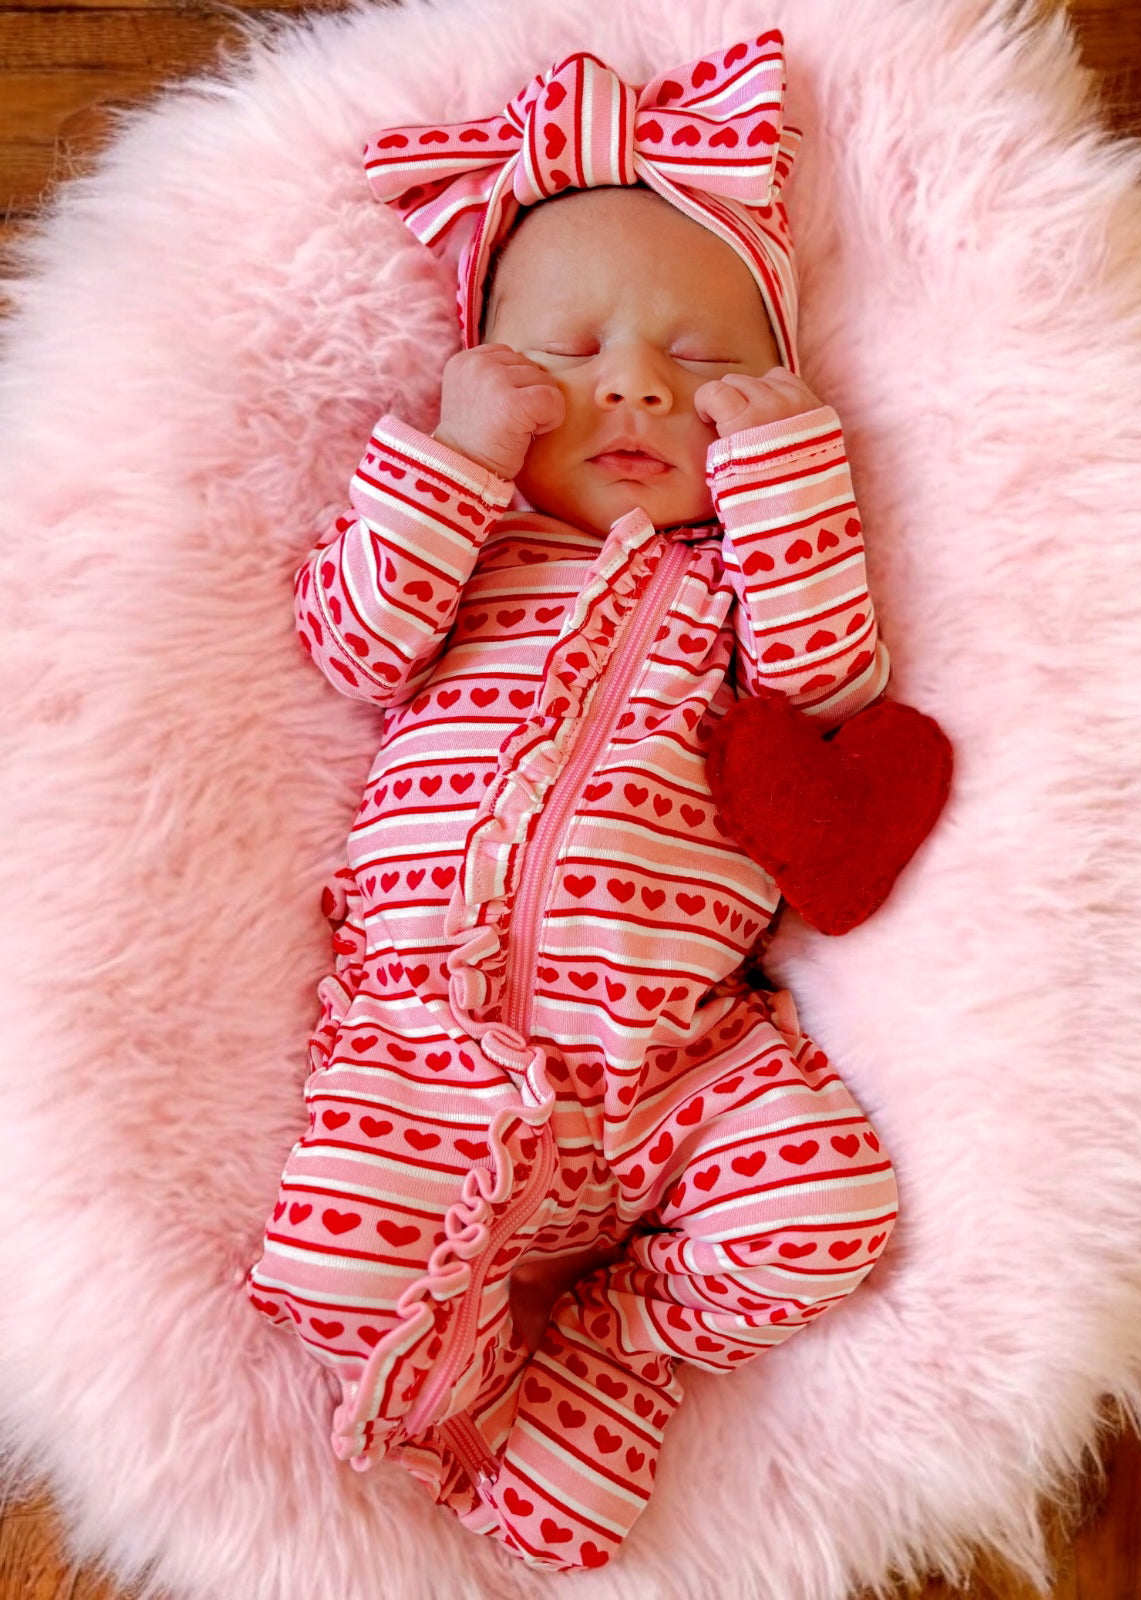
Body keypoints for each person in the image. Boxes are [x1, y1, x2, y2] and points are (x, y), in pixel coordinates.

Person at [245, 33, 900, 1573]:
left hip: (683, 1064)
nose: (638, 382)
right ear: (485, 368)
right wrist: (458, 460)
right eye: (573, 347)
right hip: (425, 1039)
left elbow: (832, 683)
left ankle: (621, 1346)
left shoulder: (747, 575)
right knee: (324, 1272)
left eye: (704, 359)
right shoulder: (473, 547)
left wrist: (787, 474)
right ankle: (474, 1401)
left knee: (828, 1215)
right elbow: (348, 641)